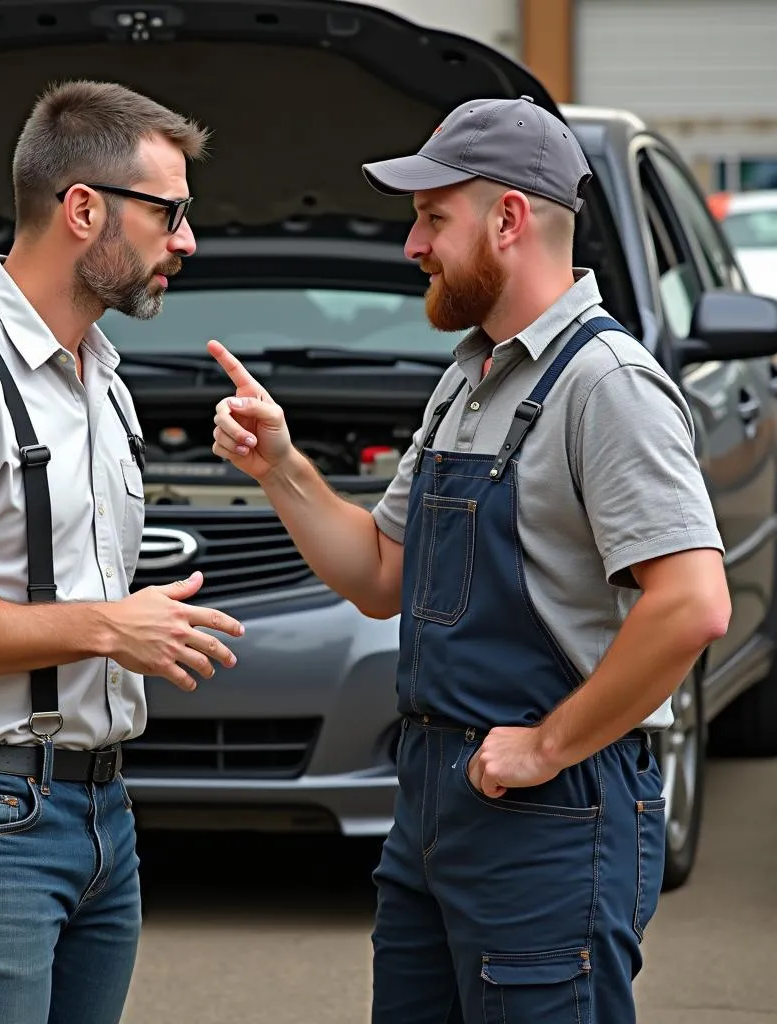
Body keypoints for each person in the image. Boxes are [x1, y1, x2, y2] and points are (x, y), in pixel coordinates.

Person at [209, 95, 731, 1023]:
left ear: (510, 218)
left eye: (432, 217)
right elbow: (381, 577)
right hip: (435, 805)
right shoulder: (472, 375)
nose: (413, 246)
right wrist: (281, 469)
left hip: (551, 818)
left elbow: (692, 604)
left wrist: (545, 746)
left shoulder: (605, 386)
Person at [0, 80, 245, 1024]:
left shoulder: (101, 378)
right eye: (171, 212)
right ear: (83, 210)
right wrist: (112, 627)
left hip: (100, 814)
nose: (186, 240)